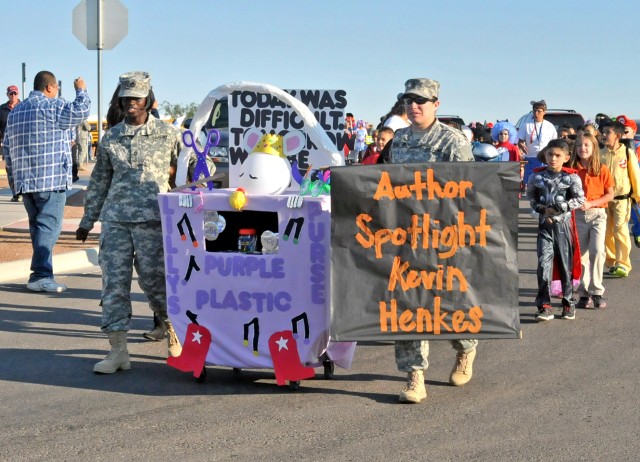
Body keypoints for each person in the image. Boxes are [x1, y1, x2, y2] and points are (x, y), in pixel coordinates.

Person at [76, 71, 183, 374]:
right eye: (126, 99)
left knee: (156, 282)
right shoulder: (111, 137)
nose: (130, 104)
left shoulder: (168, 134)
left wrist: (182, 181)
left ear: (148, 100)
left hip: (154, 221)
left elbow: (199, 166)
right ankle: (118, 351)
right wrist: (87, 220)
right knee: (114, 286)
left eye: (136, 98)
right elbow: (98, 182)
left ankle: (174, 334)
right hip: (116, 221)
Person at [388, 77, 476, 404]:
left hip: (445, 236)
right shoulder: (397, 141)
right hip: (407, 235)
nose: (414, 106)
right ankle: (414, 377)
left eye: (420, 101)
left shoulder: (452, 142)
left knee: (450, 304)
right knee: (408, 305)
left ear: (436, 104)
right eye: (409, 101)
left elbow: (469, 191)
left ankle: (465, 348)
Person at [3, 71, 90, 293]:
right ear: (49, 88)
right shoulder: (53, 107)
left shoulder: (15, 113)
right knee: (48, 227)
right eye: (57, 89)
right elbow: (82, 111)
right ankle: (40, 275)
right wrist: (81, 89)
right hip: (50, 180)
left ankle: (42, 274)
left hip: (26, 182)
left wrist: (14, 183)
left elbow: (8, 150)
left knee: (38, 229)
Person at [527, 139, 585, 321]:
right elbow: (531, 197)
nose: (553, 158)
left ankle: (568, 303)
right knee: (543, 265)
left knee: (564, 265)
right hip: (545, 226)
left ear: (566, 157)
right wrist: (541, 210)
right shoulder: (536, 176)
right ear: (545, 155)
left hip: (563, 227)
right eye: (550, 154)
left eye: (558, 155)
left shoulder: (572, 177)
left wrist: (559, 208)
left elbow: (580, 199)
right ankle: (544, 305)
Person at [569, 133, 614, 309]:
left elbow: (610, 194)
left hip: (597, 214)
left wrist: (592, 203)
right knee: (580, 256)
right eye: (579, 145)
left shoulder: (602, 169)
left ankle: (597, 292)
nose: (583, 148)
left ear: (594, 147)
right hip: (578, 216)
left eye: (587, 144)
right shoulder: (571, 169)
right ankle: (583, 293)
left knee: (597, 251)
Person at [599, 121, 640, 277]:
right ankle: (612, 260)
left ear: (617, 135)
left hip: (622, 199)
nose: (603, 135)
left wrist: (638, 195)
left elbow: (635, 174)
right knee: (606, 232)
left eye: (607, 132)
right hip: (603, 200)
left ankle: (623, 263)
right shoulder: (600, 153)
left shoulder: (627, 153)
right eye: (603, 132)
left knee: (620, 230)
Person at [518, 100, 557, 184]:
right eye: (534, 111)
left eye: (539, 111)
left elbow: (554, 143)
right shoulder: (526, 125)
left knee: (544, 183)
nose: (536, 113)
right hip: (530, 158)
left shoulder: (549, 126)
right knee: (530, 183)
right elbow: (520, 141)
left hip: (544, 159)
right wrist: (521, 145)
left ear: (544, 112)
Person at [1, 85, 22, 201]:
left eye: (15, 94)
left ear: (18, 94)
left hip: (22, 143)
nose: (13, 96)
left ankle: (24, 192)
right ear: (7, 95)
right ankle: (16, 193)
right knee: (10, 169)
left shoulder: (24, 107)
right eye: (11, 94)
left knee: (22, 168)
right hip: (7, 143)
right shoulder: (2, 109)